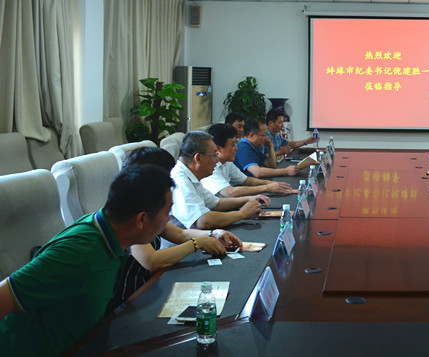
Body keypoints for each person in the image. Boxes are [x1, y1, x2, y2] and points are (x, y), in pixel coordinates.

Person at [0, 165, 174, 356]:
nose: (168, 220)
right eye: (167, 212)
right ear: (141, 219)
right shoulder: (78, 254)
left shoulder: (109, 235)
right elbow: (4, 297)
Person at [108, 147, 243, 312]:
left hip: (150, 290)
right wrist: (196, 243)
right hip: (128, 303)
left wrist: (213, 234)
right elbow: (151, 261)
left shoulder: (149, 206)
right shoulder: (128, 214)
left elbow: (180, 233)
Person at [170, 131, 269, 229]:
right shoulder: (180, 181)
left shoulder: (191, 175)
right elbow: (204, 221)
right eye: (214, 155)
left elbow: (217, 203)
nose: (217, 160)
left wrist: (250, 199)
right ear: (198, 158)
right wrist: (242, 214)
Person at [203, 123, 293, 196]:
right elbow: (230, 192)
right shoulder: (209, 167)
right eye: (233, 144)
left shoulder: (227, 163)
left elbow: (246, 180)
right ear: (218, 149)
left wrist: (269, 183)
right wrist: (266, 188)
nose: (236, 148)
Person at [235, 118, 299, 178]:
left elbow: (272, 166)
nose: (266, 138)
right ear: (251, 135)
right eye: (264, 135)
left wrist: (270, 146)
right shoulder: (243, 148)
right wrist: (286, 171)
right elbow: (257, 172)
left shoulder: (254, 148)